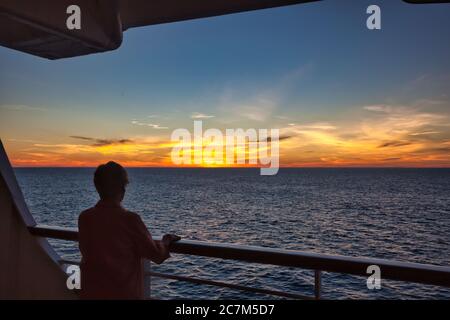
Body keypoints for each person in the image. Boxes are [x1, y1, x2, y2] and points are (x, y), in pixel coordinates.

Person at [78, 161, 180, 299]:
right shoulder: (130, 220)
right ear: (122, 189)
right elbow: (156, 255)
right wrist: (165, 241)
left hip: (91, 292)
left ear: (97, 187)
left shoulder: (85, 218)